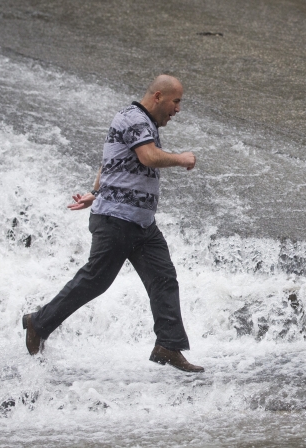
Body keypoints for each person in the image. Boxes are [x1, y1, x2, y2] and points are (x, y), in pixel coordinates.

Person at [22, 74, 204, 373]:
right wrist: (181, 158)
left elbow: (110, 161)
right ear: (158, 96)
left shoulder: (141, 123)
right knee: (96, 280)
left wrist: (95, 192)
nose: (178, 109)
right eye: (176, 101)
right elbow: (147, 157)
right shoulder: (134, 119)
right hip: (116, 220)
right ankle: (38, 322)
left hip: (141, 223)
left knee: (164, 278)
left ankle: (168, 346)